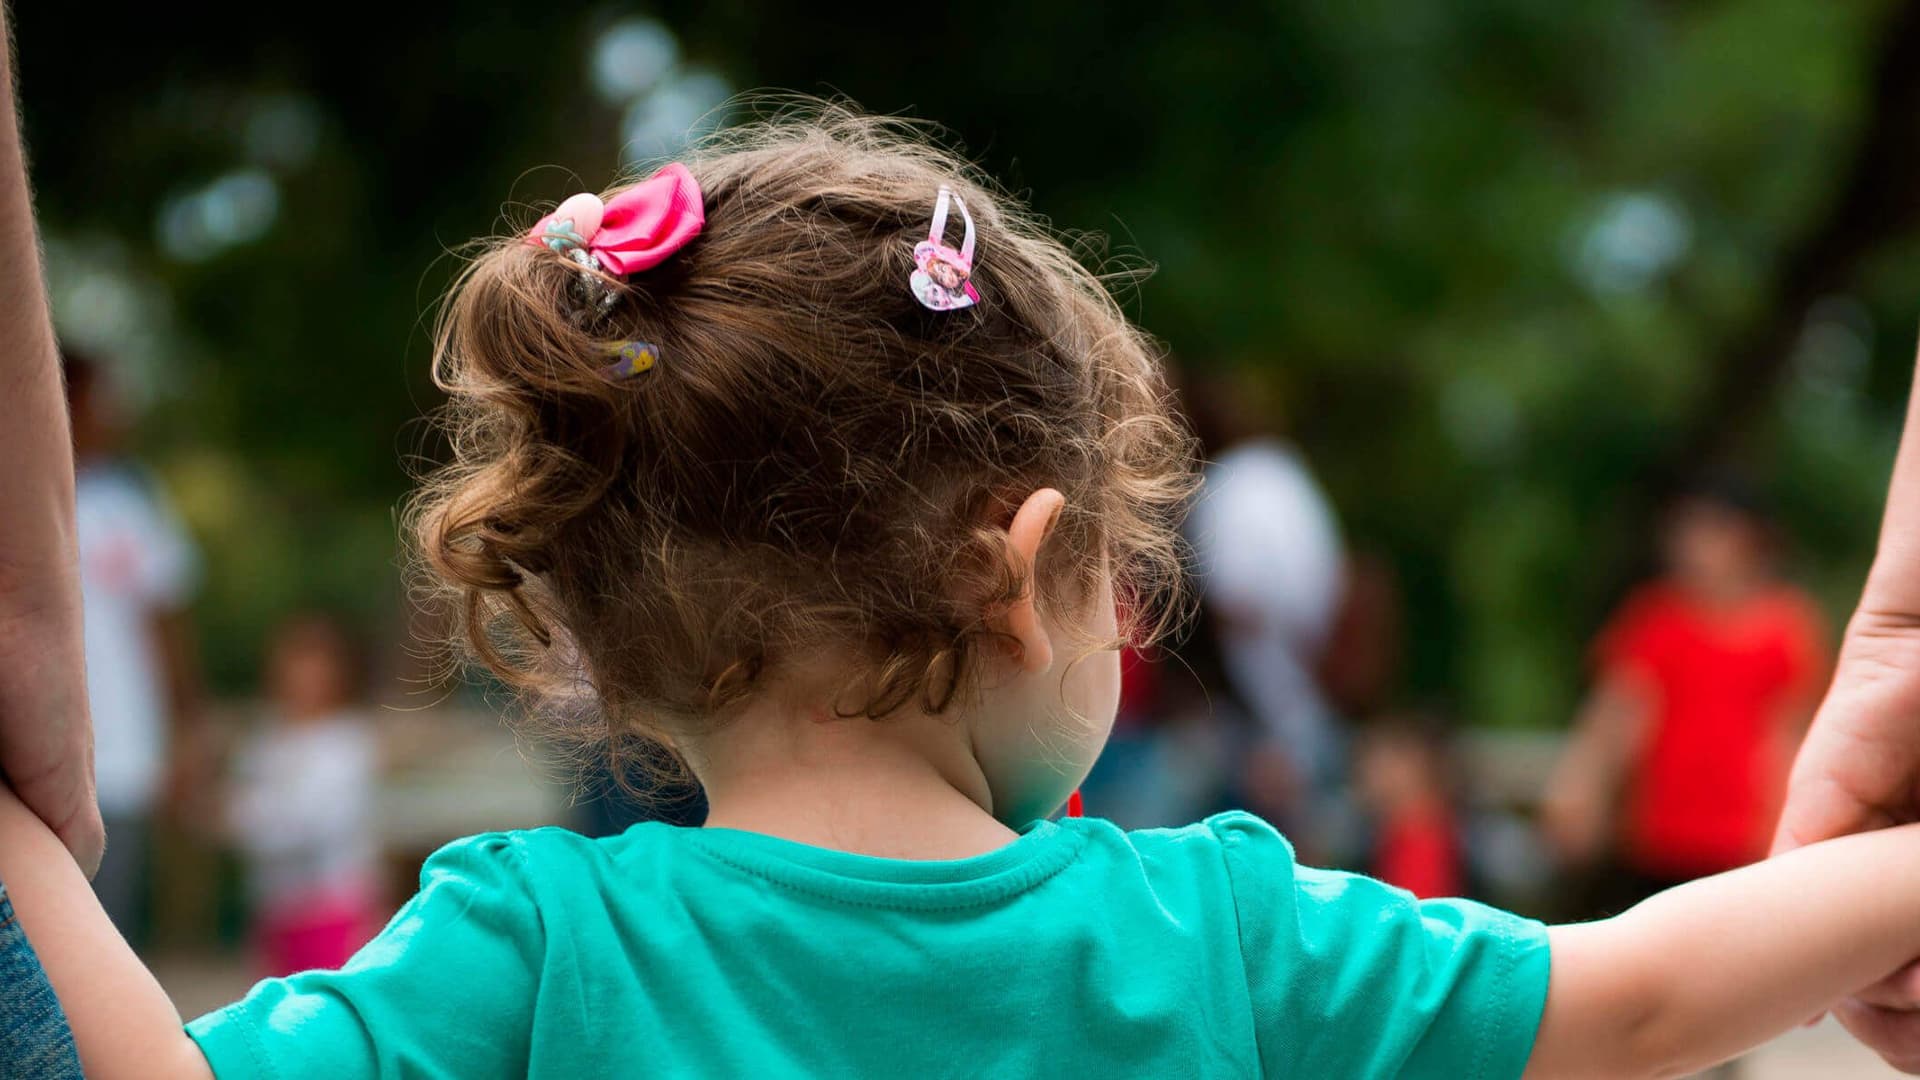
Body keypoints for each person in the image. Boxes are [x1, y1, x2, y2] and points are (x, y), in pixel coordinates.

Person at [18, 109, 1920, 1080]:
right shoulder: (1217, 936)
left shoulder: (533, 954)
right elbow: (1653, 1001)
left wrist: (19, 812)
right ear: (1023, 574)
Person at [1544, 476, 1828, 911]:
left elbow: (1790, 734)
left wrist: (1795, 827)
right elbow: (1616, 715)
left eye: (1710, 531)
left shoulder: (1787, 628)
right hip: (1659, 839)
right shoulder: (1655, 619)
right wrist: (1580, 788)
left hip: (1746, 844)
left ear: (1751, 540)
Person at [65, 351, 204, 947]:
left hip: (119, 759)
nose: (112, 415)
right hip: (32, 756)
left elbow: (166, 621)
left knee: (102, 935)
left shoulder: (131, 499)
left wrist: (187, 731)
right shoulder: (24, 496)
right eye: (100, 399)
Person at [226, 616, 383, 977]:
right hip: (276, 908)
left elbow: (313, 823)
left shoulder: (348, 743)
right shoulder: (266, 741)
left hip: (331, 907)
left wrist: (256, 820)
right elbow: (239, 813)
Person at [1355, 713, 1466, 901]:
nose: (1364, 775)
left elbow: (1415, 922)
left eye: (1378, 763)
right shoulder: (1397, 836)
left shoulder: (1421, 841)